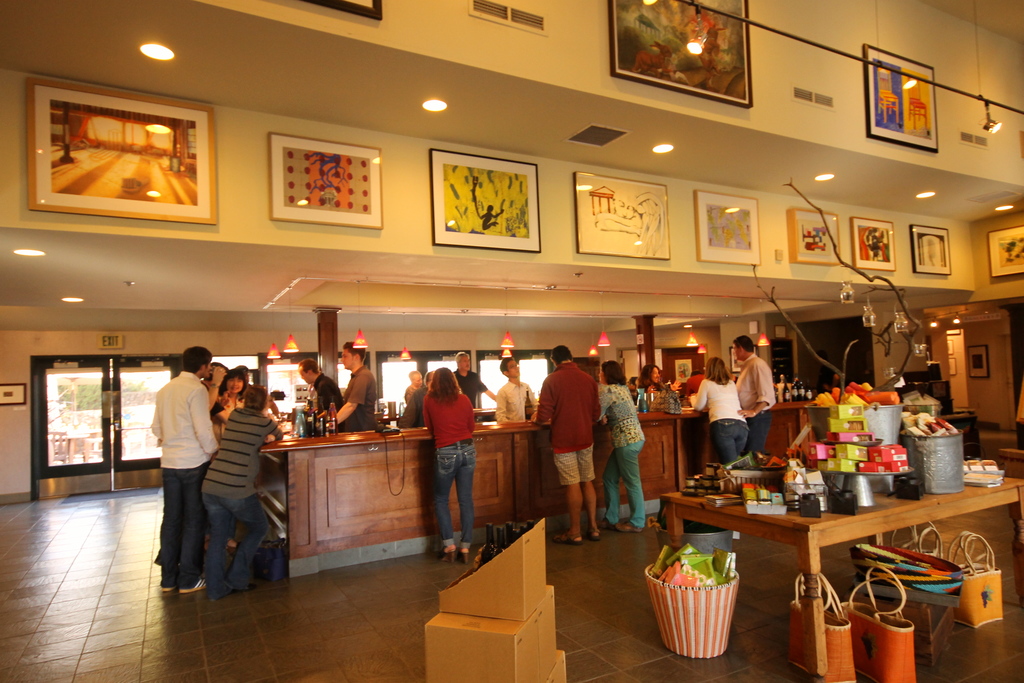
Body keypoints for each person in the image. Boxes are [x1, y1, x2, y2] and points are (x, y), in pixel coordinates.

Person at [201, 385, 283, 600]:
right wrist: (268, 435)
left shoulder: (235, 415)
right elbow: (279, 434)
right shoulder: (265, 422)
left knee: (218, 537)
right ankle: (237, 578)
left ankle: (215, 589)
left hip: (211, 483)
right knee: (259, 528)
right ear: (265, 402)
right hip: (236, 487)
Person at [151, 346, 220, 594]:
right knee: (193, 520)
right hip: (193, 462)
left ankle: (168, 579)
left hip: (169, 462)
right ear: (203, 366)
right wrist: (212, 450)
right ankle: (189, 579)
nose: (209, 370)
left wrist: (170, 441)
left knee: (171, 520)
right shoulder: (196, 390)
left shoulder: (165, 389)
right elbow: (203, 428)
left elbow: (156, 427)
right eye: (209, 365)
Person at [534, 345, 601, 545]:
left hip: (564, 439)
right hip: (585, 437)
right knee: (587, 480)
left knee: (572, 483)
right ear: (571, 358)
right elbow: (596, 413)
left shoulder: (551, 380)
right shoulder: (588, 379)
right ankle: (593, 528)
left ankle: (575, 531)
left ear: (553, 360)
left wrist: (536, 418)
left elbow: (543, 415)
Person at [422, 367, 477, 563]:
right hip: (468, 449)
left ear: (434, 382)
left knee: (440, 499)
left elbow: (430, 427)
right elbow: (471, 427)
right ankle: (466, 547)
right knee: (466, 500)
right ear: (454, 381)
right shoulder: (464, 399)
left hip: (445, 450)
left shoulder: (429, 400)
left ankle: (449, 546)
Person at [597, 360, 646, 533]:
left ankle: (637, 522)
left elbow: (596, 414)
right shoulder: (623, 388)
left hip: (626, 440)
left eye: (601, 372)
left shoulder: (607, 390)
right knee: (609, 477)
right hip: (632, 439)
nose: (599, 375)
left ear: (606, 374)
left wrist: (601, 418)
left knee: (632, 482)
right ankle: (611, 518)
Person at [691, 356, 747, 465]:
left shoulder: (706, 383)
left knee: (729, 467)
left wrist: (692, 399)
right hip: (741, 425)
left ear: (708, 369)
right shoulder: (731, 383)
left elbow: (698, 406)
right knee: (736, 465)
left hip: (722, 424)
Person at [733, 335, 776, 453]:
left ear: (741, 348)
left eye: (735, 348)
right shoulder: (747, 364)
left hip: (758, 417)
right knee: (748, 452)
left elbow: (767, 394)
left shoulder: (757, 364)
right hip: (751, 417)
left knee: (753, 453)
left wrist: (754, 411)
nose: (734, 352)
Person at [337, 342, 378, 432]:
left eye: (345, 356)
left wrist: (331, 424)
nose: (342, 360)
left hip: (363, 432)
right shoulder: (356, 376)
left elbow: (351, 405)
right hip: (357, 431)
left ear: (356, 357)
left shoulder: (363, 376)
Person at [494, 356, 536, 423]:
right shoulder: (503, 391)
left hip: (529, 426)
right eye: (512, 367)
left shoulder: (526, 387)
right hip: (514, 427)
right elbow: (500, 416)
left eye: (516, 365)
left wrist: (536, 414)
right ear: (506, 372)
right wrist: (511, 426)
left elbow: (535, 406)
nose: (516, 368)